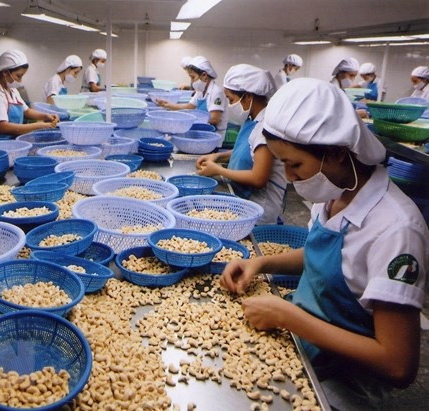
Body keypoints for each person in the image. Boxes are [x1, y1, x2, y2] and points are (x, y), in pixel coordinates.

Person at [221, 78, 428, 410]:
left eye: (295, 164)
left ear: (336, 153)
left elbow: (398, 364)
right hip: (303, 348)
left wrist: (289, 318)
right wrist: (260, 263)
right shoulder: (332, 191)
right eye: (283, 164)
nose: (289, 177)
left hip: (345, 383)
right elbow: (325, 256)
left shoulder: (396, 229)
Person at [196, 64, 286, 224]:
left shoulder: (265, 128)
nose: (229, 105)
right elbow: (248, 151)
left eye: (231, 99)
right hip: (244, 201)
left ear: (248, 97)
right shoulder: (251, 119)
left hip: (259, 211)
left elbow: (258, 178)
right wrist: (217, 156)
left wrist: (218, 170)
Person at [0, 49, 58, 141]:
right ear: (5, 72)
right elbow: (3, 127)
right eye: (18, 76)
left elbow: (27, 111)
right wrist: (38, 126)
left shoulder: (12, 90)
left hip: (12, 139)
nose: (20, 80)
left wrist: (46, 116)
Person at [156, 56, 228, 133]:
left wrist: (191, 120)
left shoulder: (216, 92)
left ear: (204, 75)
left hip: (214, 133)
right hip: (203, 129)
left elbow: (215, 119)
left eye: (193, 77)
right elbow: (189, 106)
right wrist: (167, 105)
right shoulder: (201, 91)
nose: (191, 81)